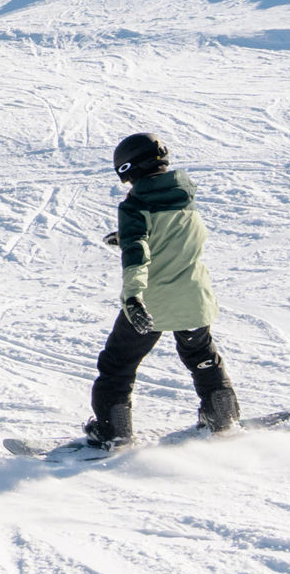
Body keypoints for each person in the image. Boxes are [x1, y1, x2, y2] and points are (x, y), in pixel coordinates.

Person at [84, 133, 239, 449]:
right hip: (194, 297)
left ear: (128, 169)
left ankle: (114, 432)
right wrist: (127, 237)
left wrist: (133, 296)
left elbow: (138, 255)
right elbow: (179, 239)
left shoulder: (135, 206)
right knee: (201, 355)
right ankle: (222, 416)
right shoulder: (185, 198)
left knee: (118, 364)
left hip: (153, 300)